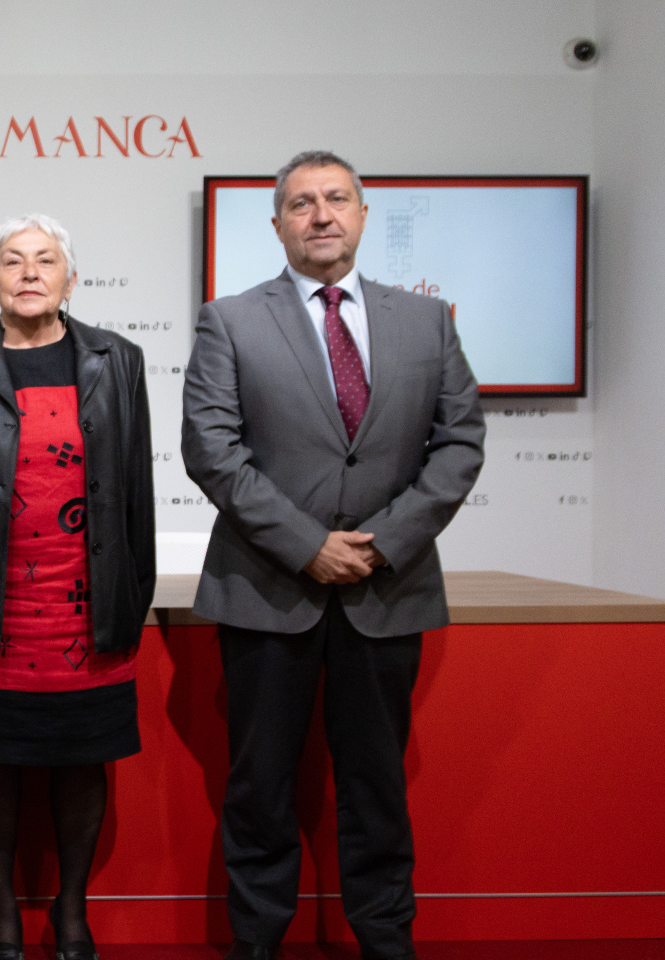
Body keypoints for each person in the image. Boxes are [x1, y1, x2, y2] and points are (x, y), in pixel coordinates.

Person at [181, 151, 485, 960]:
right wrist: (307, 546)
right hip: (266, 590)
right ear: (278, 223)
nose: (321, 215)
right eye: (302, 203)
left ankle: (385, 941)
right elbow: (212, 449)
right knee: (260, 788)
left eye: (337, 199)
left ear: (362, 214)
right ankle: (257, 944)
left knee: (377, 786)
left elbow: (459, 443)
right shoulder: (229, 320)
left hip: (388, 590)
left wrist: (382, 546)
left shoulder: (427, 320)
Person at [0, 215, 155, 960]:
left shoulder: (118, 358)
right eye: (12, 262)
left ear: (70, 279)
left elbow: (137, 489)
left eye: (45, 261)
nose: (29, 273)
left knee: (84, 762)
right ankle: (3, 909)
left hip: (88, 602)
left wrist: (134, 594)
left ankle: (72, 912)